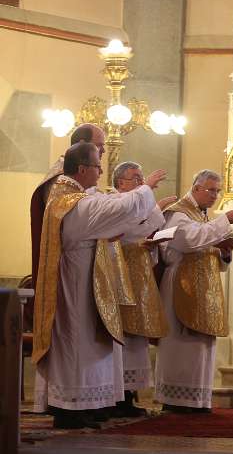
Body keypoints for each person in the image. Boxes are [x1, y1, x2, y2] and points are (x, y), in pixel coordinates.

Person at [33, 142, 166, 428]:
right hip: (75, 280)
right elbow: (118, 207)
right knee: (76, 342)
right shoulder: (69, 201)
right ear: (82, 169)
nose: (100, 170)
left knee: (84, 344)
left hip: (84, 275)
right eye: (96, 165)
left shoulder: (71, 197)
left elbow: (113, 215)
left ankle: (81, 407)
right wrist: (147, 188)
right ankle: (70, 409)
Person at [154, 170, 233, 413]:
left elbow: (206, 246)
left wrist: (224, 254)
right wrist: (225, 220)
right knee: (183, 343)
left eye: (217, 191)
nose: (214, 195)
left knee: (202, 345)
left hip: (203, 286)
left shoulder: (201, 214)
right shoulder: (178, 212)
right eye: (210, 190)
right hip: (181, 284)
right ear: (195, 187)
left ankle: (198, 399)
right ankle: (176, 400)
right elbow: (188, 241)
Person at [111, 161, 176, 416]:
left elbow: (139, 233)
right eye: (134, 178)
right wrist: (157, 209)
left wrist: (151, 246)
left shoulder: (134, 204)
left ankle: (129, 395)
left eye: (141, 177)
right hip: (119, 279)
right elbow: (128, 231)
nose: (140, 182)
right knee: (124, 336)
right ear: (120, 183)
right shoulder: (114, 202)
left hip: (137, 276)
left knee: (136, 338)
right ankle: (119, 397)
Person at [29, 123, 106, 287]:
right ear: (84, 143)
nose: (104, 151)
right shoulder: (62, 177)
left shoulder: (74, 175)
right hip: (66, 263)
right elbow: (70, 220)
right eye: (100, 145)